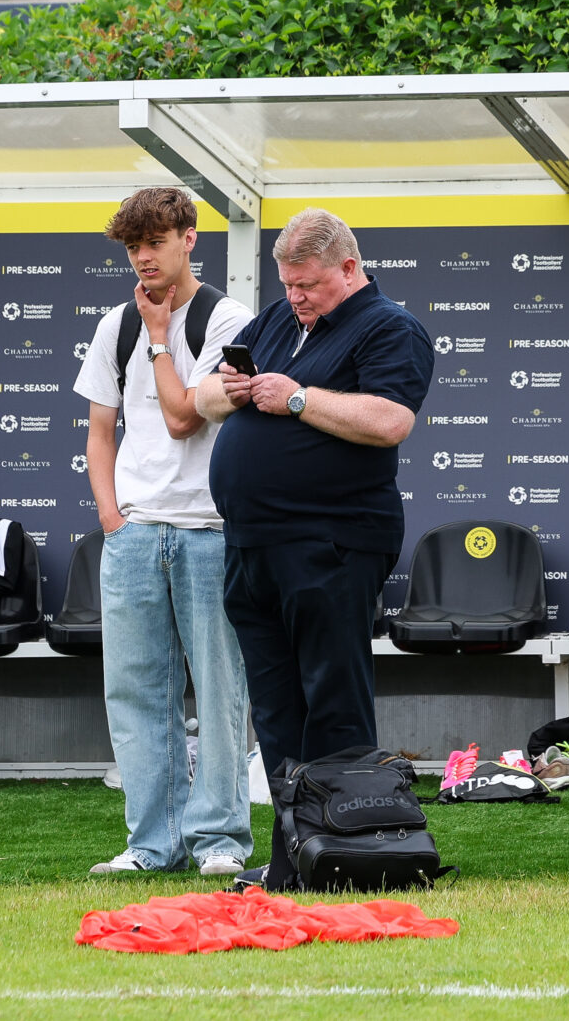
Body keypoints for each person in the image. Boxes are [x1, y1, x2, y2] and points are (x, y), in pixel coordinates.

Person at [197, 209, 434, 822]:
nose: (295, 297)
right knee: (274, 708)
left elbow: (390, 421)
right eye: (287, 284)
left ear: (349, 268)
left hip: (329, 540)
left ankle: (346, 845)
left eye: (308, 284)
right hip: (252, 543)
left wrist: (298, 398)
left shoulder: (390, 327)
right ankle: (294, 851)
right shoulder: (278, 318)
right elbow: (216, 400)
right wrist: (232, 390)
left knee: (332, 702)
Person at [75, 187, 257, 878]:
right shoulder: (114, 323)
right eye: (133, 246)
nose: (143, 257)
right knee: (135, 694)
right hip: (133, 534)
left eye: (155, 241)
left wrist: (158, 337)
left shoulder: (225, 318)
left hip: (209, 530)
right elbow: (100, 431)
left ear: (189, 238)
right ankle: (152, 843)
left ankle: (220, 842)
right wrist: (111, 518)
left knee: (220, 691)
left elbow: (183, 418)